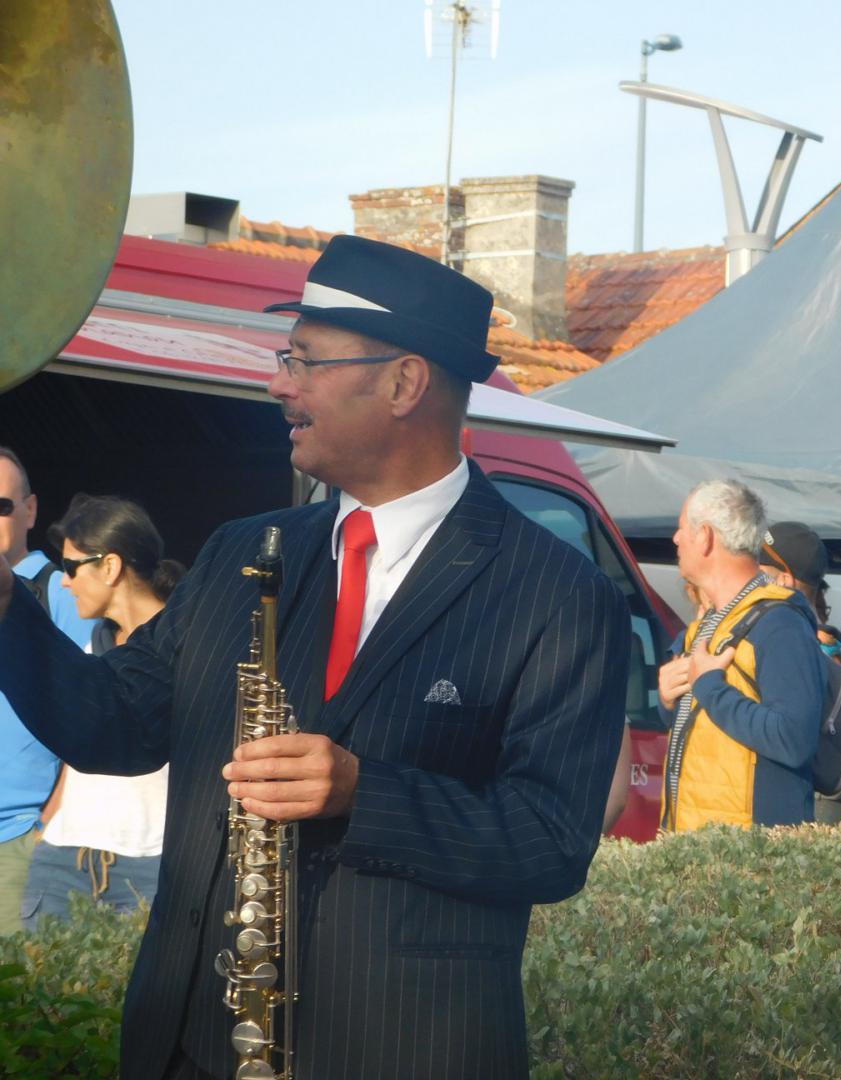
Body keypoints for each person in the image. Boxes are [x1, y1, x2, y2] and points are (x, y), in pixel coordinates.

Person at [0, 236, 630, 1079]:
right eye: (282, 356)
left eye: (305, 361)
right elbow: (112, 726)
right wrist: (6, 606)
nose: (276, 384)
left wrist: (364, 793)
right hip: (191, 1046)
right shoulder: (241, 551)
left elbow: (550, 842)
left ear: (405, 382)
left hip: (401, 1052)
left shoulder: (558, 592)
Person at [21, 495, 185, 927]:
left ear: (110, 567)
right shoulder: (90, 645)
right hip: (61, 857)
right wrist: (50, 818)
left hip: (150, 863)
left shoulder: (190, 647)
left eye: (72, 567)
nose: (65, 581)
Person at [657, 481, 828, 831]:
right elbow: (705, 732)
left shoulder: (780, 624)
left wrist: (710, 688)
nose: (675, 539)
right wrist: (669, 700)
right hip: (696, 854)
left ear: (705, 537)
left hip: (748, 864)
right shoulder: (709, 624)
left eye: (682, 528)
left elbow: (793, 740)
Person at [0, 447, 93, 936]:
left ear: (30, 510)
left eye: (1, 506)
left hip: (15, 839)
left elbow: (94, 716)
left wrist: (49, 822)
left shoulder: (60, 593)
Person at [759, 522, 841, 829]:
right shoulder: (838, 662)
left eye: (759, 575)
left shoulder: (801, 660)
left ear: (786, 582)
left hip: (838, 838)